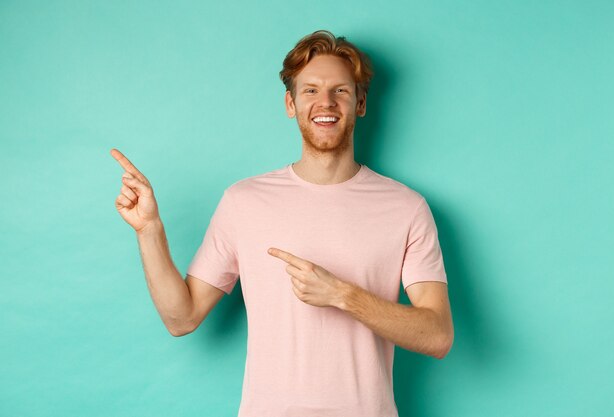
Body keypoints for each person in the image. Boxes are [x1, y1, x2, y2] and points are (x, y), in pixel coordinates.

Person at [111, 30, 453, 417]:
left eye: (340, 90)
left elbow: (438, 335)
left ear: (360, 103)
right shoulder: (244, 201)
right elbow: (181, 317)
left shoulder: (406, 207)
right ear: (290, 103)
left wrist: (343, 295)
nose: (325, 103)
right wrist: (149, 230)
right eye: (310, 91)